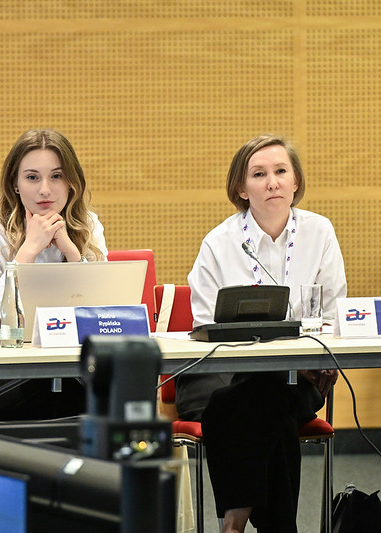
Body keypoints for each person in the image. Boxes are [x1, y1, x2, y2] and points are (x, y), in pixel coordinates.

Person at [177, 134, 346, 532]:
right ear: (241, 187)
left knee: (260, 395)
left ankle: (233, 522)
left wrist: (306, 357)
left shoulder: (319, 233)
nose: (272, 182)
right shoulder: (219, 243)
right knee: (267, 406)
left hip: (298, 377)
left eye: (281, 171)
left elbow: (333, 313)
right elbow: (205, 326)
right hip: (223, 379)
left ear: (295, 181)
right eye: (258, 174)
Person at [0, 128, 108, 420]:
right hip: (3, 368)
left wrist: (72, 252)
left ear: (72, 182)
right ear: (15, 184)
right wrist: (29, 249)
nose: (45, 190)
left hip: (72, 364)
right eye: (32, 177)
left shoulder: (87, 224)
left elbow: (104, 310)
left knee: (112, 388)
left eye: (57, 176)